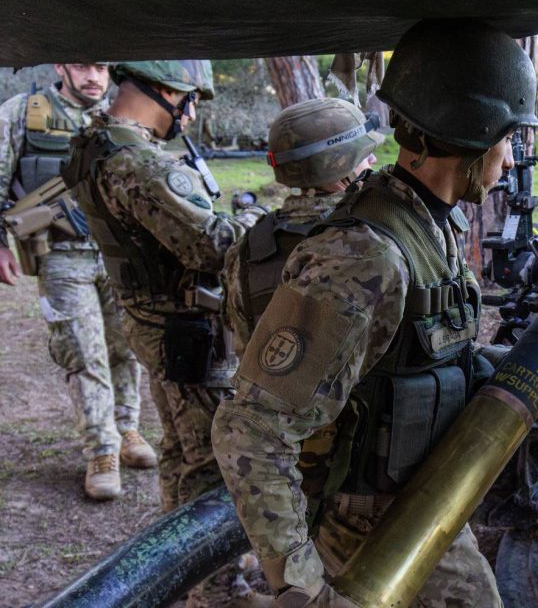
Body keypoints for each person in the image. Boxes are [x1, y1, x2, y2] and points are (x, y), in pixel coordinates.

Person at [212, 19, 538, 606]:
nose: (511, 161)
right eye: (509, 139)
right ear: (474, 133)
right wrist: (303, 589)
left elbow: (415, 357)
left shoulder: (426, 222)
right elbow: (251, 429)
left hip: (418, 492)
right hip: (363, 519)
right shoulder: (363, 257)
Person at [63, 60, 266, 514]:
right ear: (166, 91)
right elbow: (211, 248)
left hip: (146, 317)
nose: (190, 117)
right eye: (190, 102)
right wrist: (256, 221)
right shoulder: (140, 163)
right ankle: (215, 585)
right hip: (182, 325)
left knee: (180, 444)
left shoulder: (92, 143)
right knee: (214, 458)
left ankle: (184, 573)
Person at [0, 62, 153, 501]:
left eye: (102, 67)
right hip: (61, 256)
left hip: (118, 255)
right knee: (84, 352)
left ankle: (127, 431)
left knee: (127, 345)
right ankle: (101, 451)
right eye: (83, 65)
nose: (94, 76)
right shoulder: (23, 112)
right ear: (61, 66)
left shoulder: (121, 115)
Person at [221, 97, 382, 357]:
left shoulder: (247, 246)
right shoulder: (372, 235)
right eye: (364, 155)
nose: (373, 159)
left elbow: (240, 334)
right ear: (341, 166)